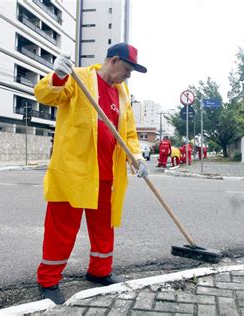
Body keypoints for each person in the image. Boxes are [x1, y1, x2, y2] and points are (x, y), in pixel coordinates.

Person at [33, 43, 149, 304]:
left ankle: (100, 271)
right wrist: (59, 76)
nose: (129, 76)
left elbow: (128, 133)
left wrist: (137, 156)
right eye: (128, 69)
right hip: (74, 172)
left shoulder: (122, 94)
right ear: (115, 61)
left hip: (107, 173)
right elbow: (47, 95)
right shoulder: (80, 78)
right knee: (61, 228)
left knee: (103, 228)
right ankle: (48, 280)